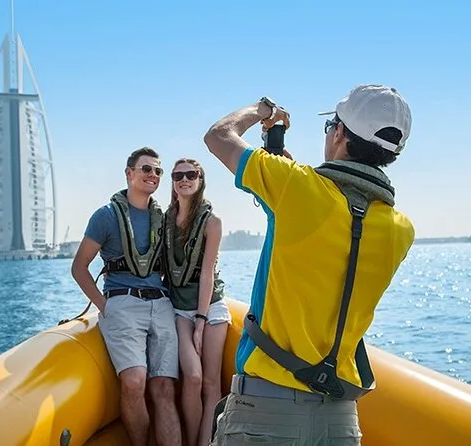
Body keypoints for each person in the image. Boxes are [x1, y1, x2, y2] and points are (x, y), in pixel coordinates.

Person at [202, 85, 415, 445]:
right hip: (340, 421)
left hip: (265, 414)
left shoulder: (295, 188)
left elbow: (219, 136)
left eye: (331, 125)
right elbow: (332, 224)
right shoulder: (401, 230)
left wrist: (262, 109)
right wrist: (290, 178)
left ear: (340, 133)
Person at [71, 147, 182, 446]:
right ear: (129, 173)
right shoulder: (105, 216)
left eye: (158, 171)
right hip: (122, 302)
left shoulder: (164, 218)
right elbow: (79, 267)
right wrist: (105, 306)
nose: (153, 175)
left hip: (160, 304)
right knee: (134, 381)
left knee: (164, 388)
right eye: (146, 169)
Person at [163, 158, 231, 446]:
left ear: (200, 180)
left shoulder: (212, 223)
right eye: (178, 175)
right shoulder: (164, 220)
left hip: (210, 307)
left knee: (210, 382)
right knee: (192, 377)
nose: (184, 179)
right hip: (180, 308)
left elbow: (206, 274)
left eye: (191, 174)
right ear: (172, 181)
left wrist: (201, 322)